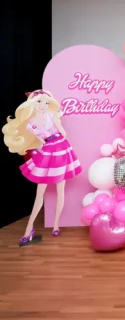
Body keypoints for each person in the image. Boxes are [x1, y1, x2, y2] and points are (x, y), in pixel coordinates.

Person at [2, 90, 82, 245]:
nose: (43, 105)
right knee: (40, 193)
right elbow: (40, 141)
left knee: (60, 189)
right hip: (49, 150)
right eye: (39, 101)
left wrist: (57, 122)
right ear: (32, 103)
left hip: (61, 148)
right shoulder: (30, 123)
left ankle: (56, 225)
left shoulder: (52, 115)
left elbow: (64, 134)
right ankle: (29, 229)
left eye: (46, 102)